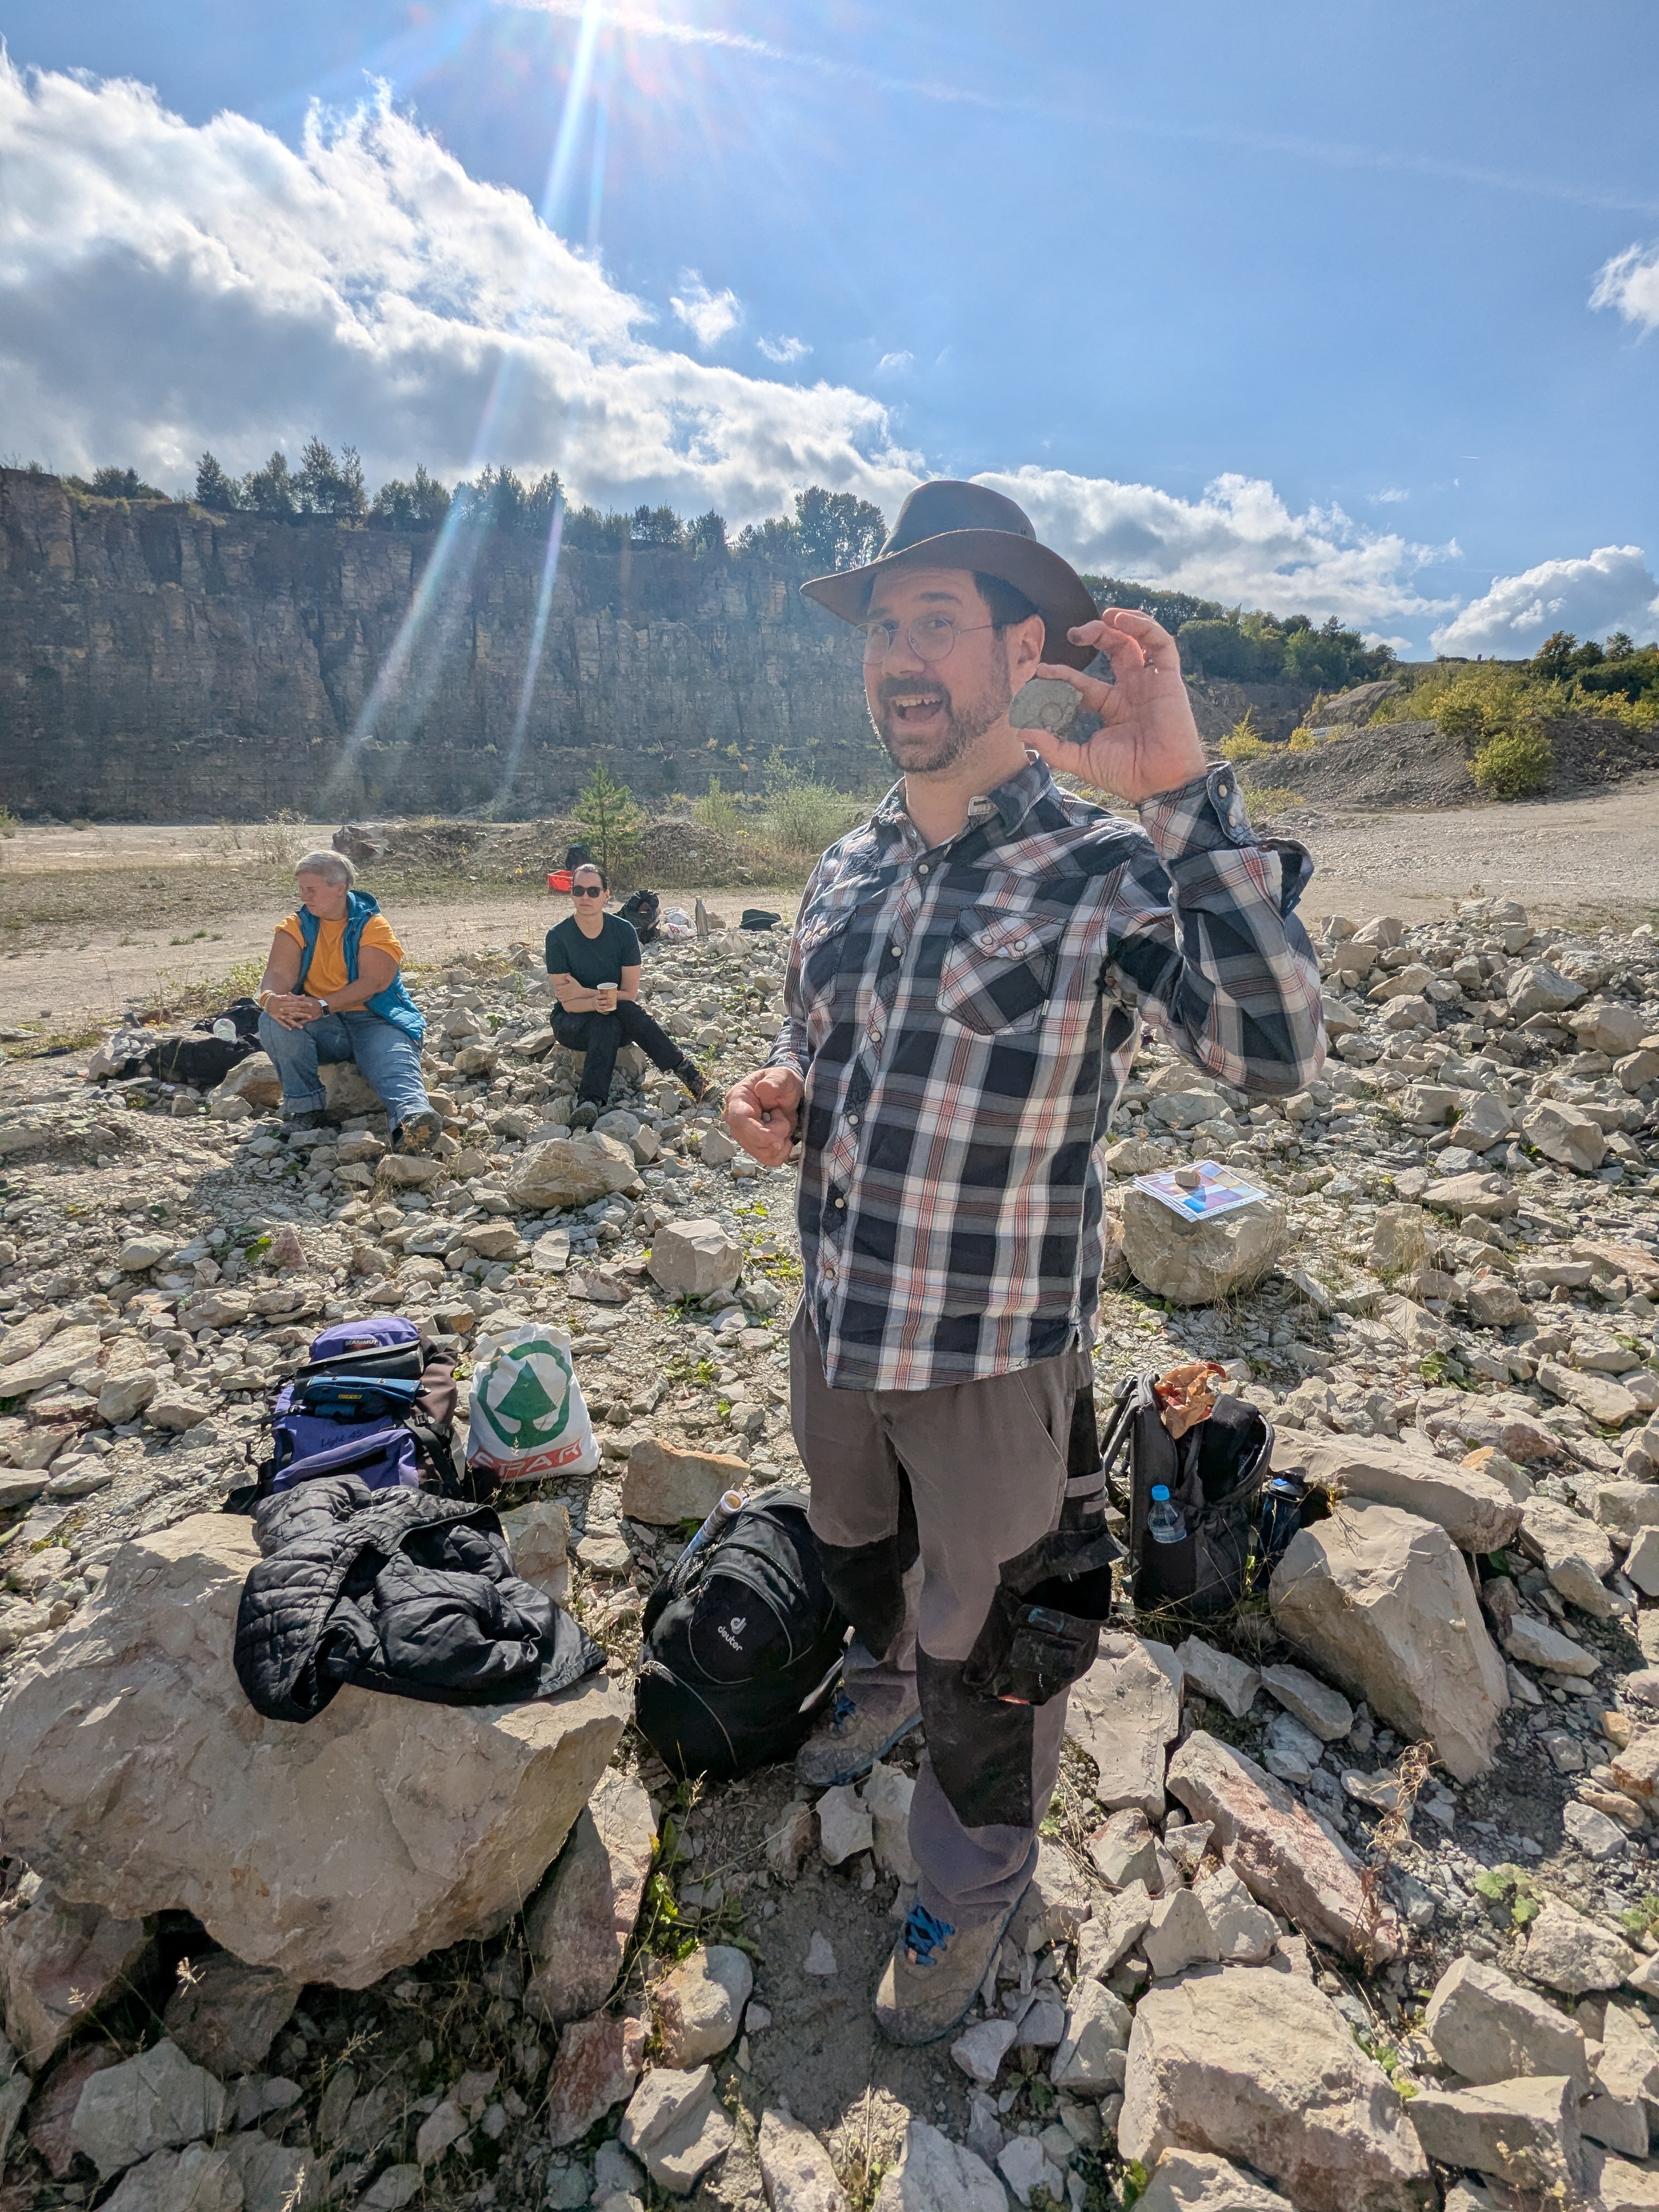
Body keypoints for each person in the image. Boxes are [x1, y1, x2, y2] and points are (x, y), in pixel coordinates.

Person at [724, 479, 1325, 2045]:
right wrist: (778, 1092)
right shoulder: (844, 870)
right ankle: (875, 1671)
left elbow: (1276, 1051)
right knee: (861, 1552)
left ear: (1021, 648)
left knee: (999, 1655)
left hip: (998, 1356)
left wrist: (1180, 786)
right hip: (839, 1323)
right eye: (883, 629)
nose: (900, 659)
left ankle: (974, 1878)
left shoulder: (1100, 867)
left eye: (938, 624)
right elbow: (811, 1041)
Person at [256, 850, 442, 1150]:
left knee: (394, 1068)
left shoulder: (373, 925)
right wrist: (270, 999)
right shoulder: (296, 926)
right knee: (275, 1020)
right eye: (302, 889)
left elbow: (373, 983)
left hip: (376, 1018)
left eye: (312, 889)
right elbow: (277, 972)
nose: (305, 897)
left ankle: (412, 1121)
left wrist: (323, 1005)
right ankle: (305, 1110)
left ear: (340, 888)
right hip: (324, 1022)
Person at [545, 861, 713, 1128]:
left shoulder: (623, 931)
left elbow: (629, 994)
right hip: (572, 1022)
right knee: (608, 1018)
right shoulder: (558, 936)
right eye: (579, 891)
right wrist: (591, 1002)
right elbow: (568, 1001)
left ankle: (590, 1101)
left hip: (618, 1017)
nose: (585, 897)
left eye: (593, 891)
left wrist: (585, 993)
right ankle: (687, 1072)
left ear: (606, 895)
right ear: (572, 894)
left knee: (616, 1015)